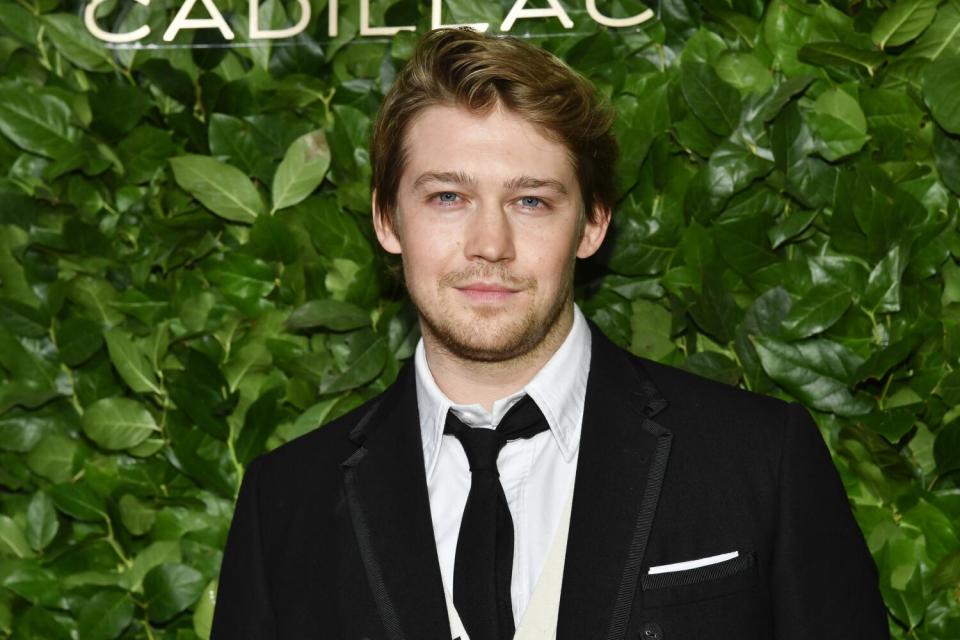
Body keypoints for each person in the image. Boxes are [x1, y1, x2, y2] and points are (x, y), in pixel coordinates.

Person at [211, 28, 888, 640]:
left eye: (530, 201)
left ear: (592, 224)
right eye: (448, 197)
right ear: (388, 221)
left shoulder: (759, 459)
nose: (490, 244)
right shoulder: (287, 503)